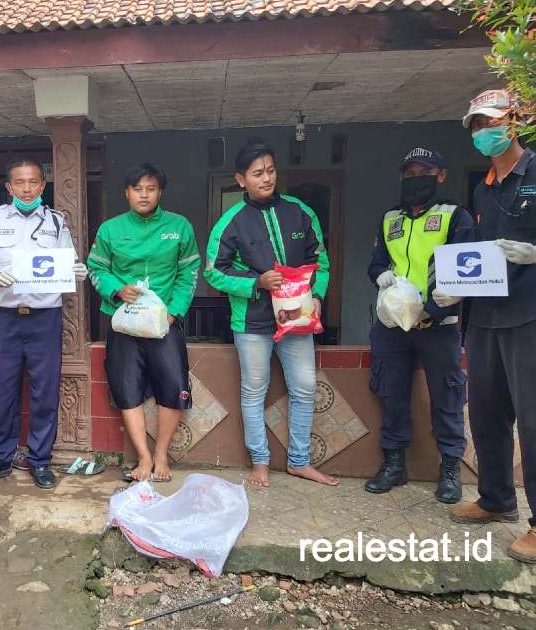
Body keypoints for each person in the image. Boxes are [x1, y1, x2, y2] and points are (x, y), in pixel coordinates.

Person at [204, 141, 336, 488]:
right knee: (253, 391)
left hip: (297, 319)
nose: (266, 179)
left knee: (305, 388)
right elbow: (213, 272)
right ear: (241, 179)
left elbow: (320, 262)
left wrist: (318, 295)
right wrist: (257, 282)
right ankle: (259, 461)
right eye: (258, 173)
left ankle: (299, 461)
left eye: (271, 171)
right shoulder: (230, 223)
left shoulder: (300, 212)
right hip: (252, 322)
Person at [449, 89, 536, 563]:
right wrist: (454, 288)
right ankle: (496, 499)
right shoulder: (482, 188)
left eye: (491, 123)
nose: (484, 133)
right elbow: (479, 257)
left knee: (534, 419)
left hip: (530, 314)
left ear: (515, 120)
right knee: (485, 412)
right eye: (477, 127)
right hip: (485, 316)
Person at [0, 157, 88, 489]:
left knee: (44, 391)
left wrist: (75, 271)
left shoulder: (57, 222)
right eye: (20, 182)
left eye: (33, 182)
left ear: (43, 186)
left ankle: (39, 460)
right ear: (9, 187)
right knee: (1, 390)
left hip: (45, 319)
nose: (27, 188)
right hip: (6, 319)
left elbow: (67, 263)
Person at [365, 148, 473, 503]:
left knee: (447, 394)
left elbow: (466, 265)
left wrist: (441, 303)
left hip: (439, 322)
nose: (416, 179)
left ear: (440, 175)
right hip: (394, 324)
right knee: (390, 391)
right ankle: (394, 464)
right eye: (410, 173)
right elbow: (377, 262)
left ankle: (450, 468)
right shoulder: (390, 219)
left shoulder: (455, 216)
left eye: (424, 172)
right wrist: (381, 276)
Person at [87, 163, 200, 482]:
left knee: (173, 388)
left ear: (160, 192)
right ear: (127, 193)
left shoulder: (179, 227)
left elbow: (188, 272)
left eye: (150, 188)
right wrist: (116, 290)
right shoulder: (110, 229)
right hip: (123, 323)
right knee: (127, 389)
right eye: (138, 189)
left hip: (164, 323)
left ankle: (162, 454)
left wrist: (173, 312)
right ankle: (144, 458)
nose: (144, 194)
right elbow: (96, 269)